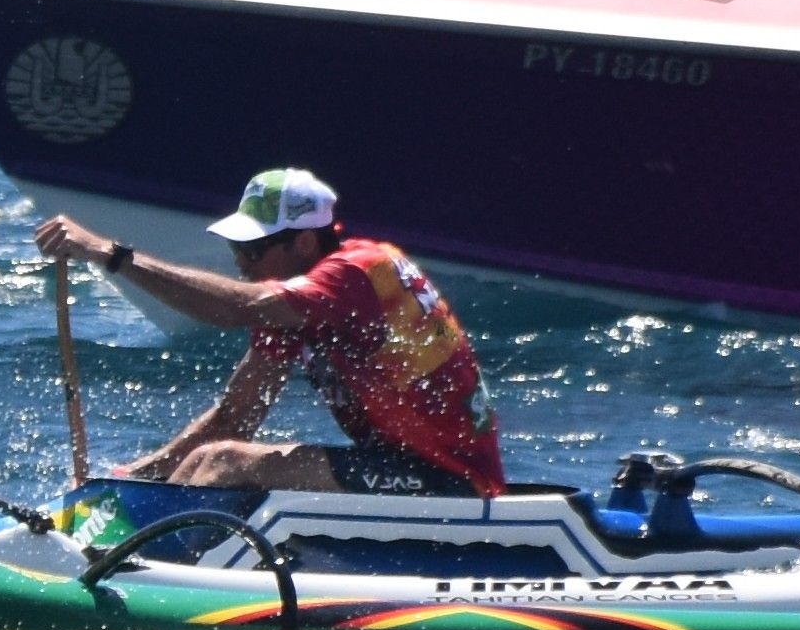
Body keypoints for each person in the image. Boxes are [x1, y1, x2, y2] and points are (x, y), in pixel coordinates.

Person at [30, 170, 505, 498]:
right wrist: (125, 481)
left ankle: (140, 574)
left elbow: (237, 307)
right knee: (210, 458)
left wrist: (112, 256)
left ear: (303, 241)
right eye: (238, 246)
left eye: (252, 250)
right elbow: (235, 417)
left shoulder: (358, 272)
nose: (240, 262)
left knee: (223, 465)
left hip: (448, 478)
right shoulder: (297, 306)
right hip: (393, 465)